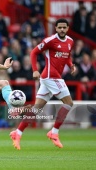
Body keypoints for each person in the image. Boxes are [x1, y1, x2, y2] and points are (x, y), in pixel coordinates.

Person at [9, 18, 76, 150]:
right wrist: (35, 70)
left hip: (50, 78)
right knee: (68, 103)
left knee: (36, 108)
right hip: (51, 76)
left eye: (64, 27)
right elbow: (34, 52)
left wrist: (70, 65)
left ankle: (18, 132)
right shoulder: (50, 40)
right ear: (56, 28)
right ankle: (54, 132)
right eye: (59, 27)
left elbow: (67, 55)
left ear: (67, 28)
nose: (62, 29)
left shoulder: (70, 41)